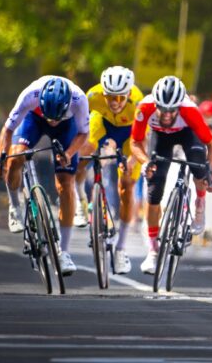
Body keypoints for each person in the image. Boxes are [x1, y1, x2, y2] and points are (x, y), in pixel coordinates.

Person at [0, 76, 90, 275]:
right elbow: (8, 128)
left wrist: (69, 154)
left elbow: (83, 133)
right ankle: (14, 207)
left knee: (66, 185)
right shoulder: (31, 95)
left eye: (56, 117)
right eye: (50, 116)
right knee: (15, 158)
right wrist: (2, 160)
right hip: (34, 120)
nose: (52, 121)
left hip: (68, 128)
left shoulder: (79, 100)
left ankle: (64, 252)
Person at [130, 76, 212, 275]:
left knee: (199, 168)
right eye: (163, 108)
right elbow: (135, 142)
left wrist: (210, 174)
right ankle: (153, 252)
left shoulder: (189, 111)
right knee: (154, 188)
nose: (167, 114)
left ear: (179, 106)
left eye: (172, 110)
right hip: (160, 137)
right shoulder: (144, 108)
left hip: (187, 133)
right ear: (156, 104)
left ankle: (199, 205)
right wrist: (145, 163)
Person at [74, 66, 143, 274]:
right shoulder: (92, 96)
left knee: (127, 185)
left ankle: (121, 249)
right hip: (101, 124)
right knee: (83, 153)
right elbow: (81, 130)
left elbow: (141, 141)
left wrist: (130, 160)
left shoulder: (139, 104)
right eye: (110, 97)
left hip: (130, 133)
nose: (115, 103)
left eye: (120, 98)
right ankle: (80, 199)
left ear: (128, 94)